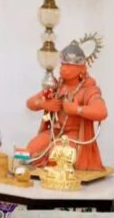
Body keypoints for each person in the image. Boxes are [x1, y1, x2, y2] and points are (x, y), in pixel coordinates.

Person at [26, 38, 108, 171]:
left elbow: (102, 112)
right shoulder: (56, 86)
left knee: (57, 154)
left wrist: (77, 109)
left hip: (74, 136)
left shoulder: (88, 89)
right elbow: (30, 103)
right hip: (54, 132)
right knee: (30, 150)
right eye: (63, 64)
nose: (63, 69)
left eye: (69, 65)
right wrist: (43, 104)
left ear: (82, 68)